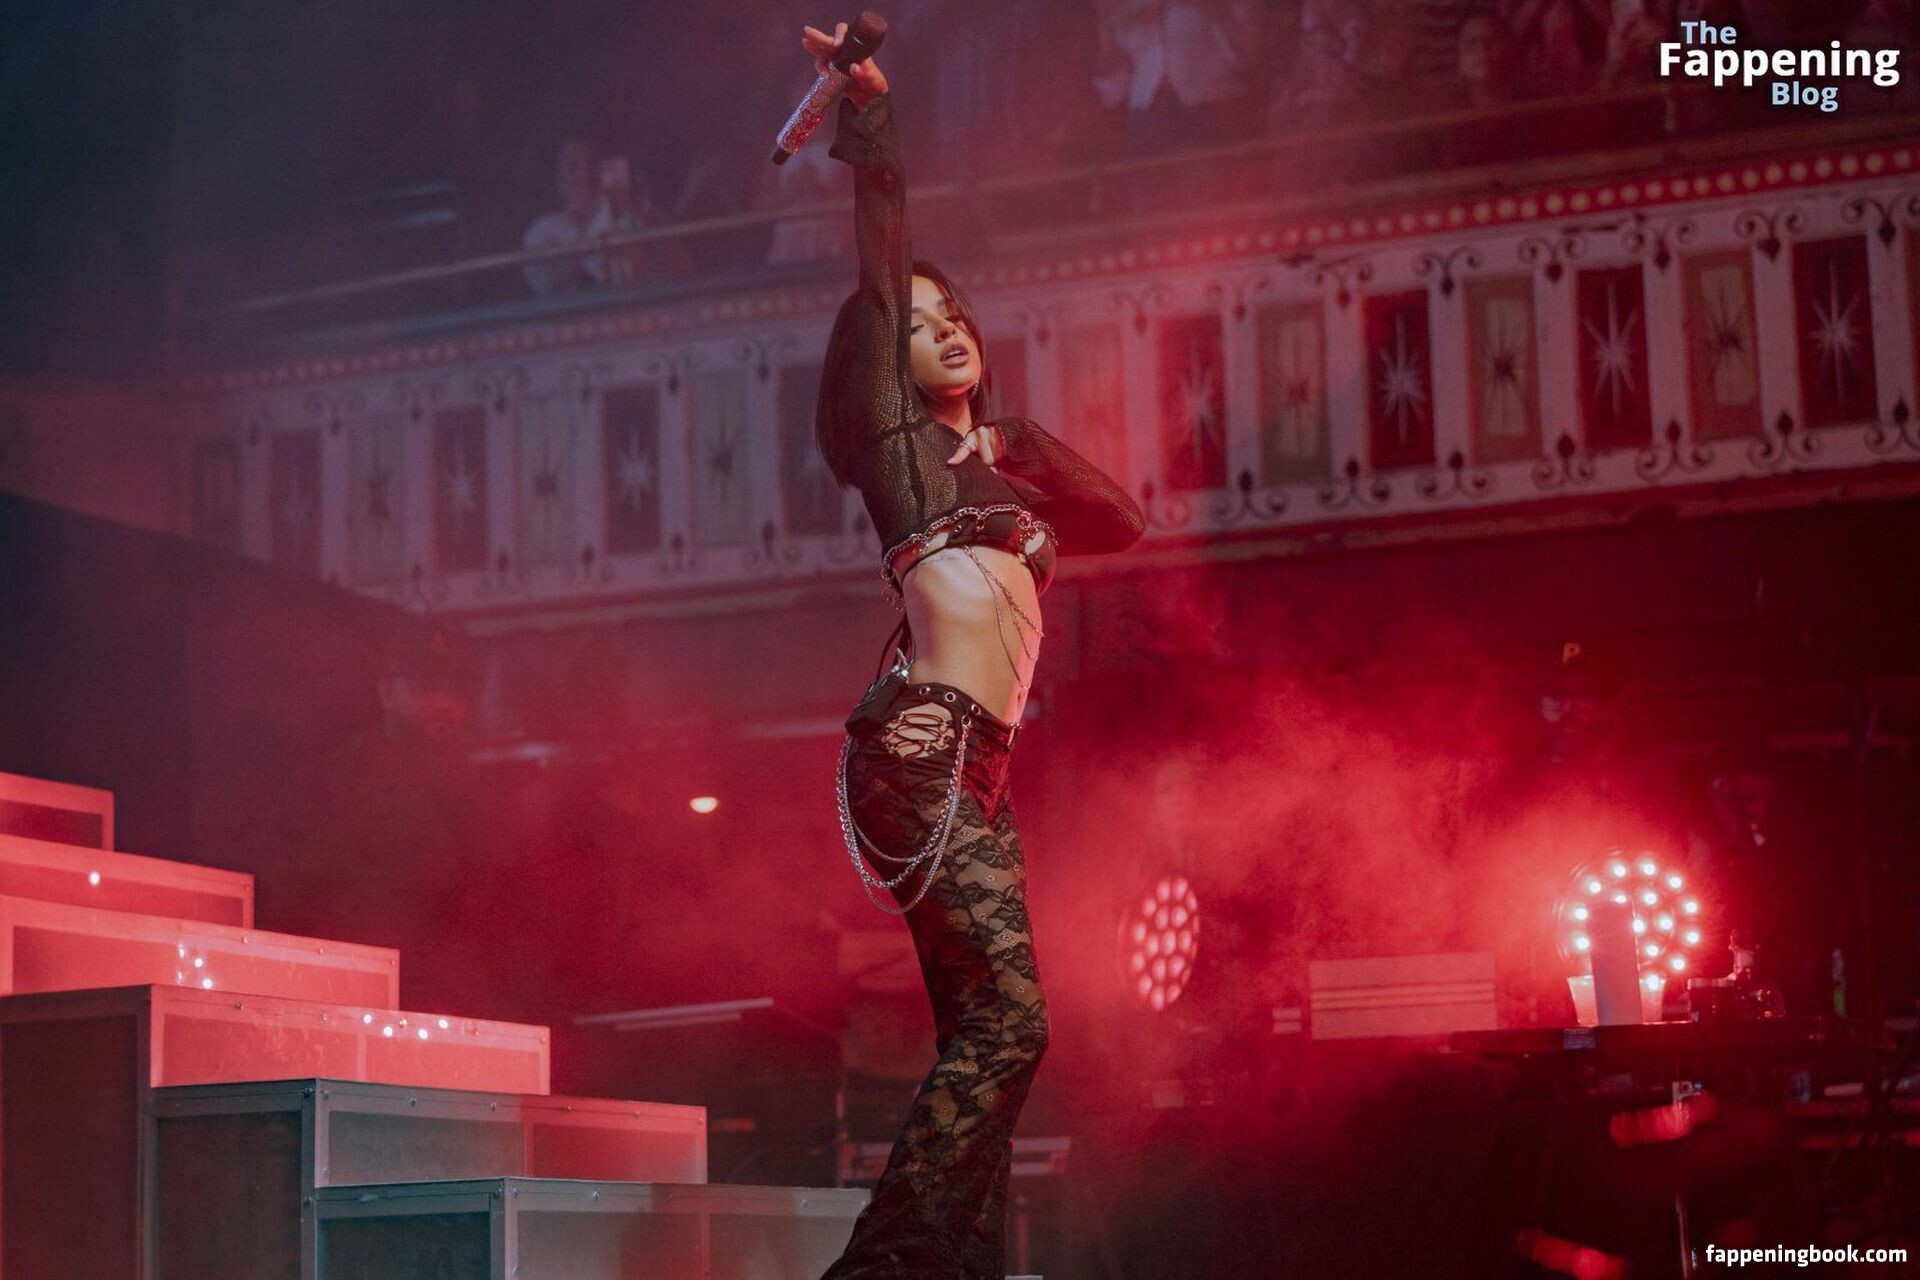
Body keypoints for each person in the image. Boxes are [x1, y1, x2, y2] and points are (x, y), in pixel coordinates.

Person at [802, 19, 1144, 1279]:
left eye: (958, 317)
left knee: (980, 1036)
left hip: (981, 767)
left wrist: (1017, 440)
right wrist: (871, 117)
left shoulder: (992, 461)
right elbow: (882, 252)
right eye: (920, 323)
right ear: (882, 364)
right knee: (1011, 1024)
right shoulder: (896, 450)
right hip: (923, 744)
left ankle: (962, 1266)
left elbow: (1121, 518)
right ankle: (885, 1265)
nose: (946, 330)